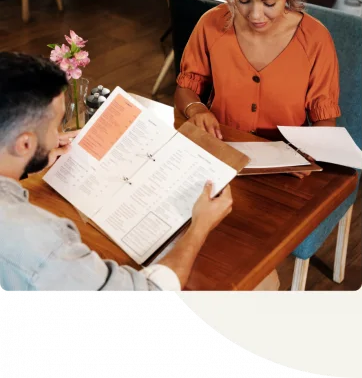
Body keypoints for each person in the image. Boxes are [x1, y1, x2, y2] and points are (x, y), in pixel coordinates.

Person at [0, 51, 233, 292]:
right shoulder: (43, 243)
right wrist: (199, 227)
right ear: (24, 144)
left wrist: (28, 160)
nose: (57, 135)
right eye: (55, 124)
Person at [174, 0, 341, 179]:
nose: (255, 15)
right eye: (243, 0)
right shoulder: (211, 24)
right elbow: (186, 87)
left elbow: (324, 118)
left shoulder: (315, 39)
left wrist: (308, 151)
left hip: (285, 170)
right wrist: (197, 110)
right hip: (220, 155)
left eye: (269, 3)